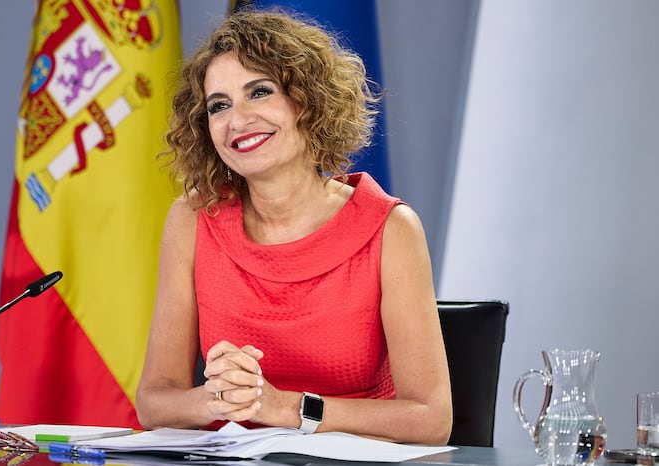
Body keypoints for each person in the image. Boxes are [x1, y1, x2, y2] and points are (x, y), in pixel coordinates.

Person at [135, 7, 452, 444]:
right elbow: (153, 402)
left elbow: (431, 420)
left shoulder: (390, 228)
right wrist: (215, 399)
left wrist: (283, 407)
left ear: (308, 100)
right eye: (219, 106)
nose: (237, 120)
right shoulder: (193, 218)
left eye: (260, 92)